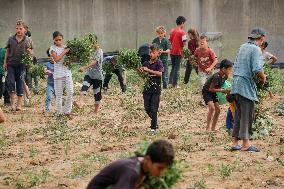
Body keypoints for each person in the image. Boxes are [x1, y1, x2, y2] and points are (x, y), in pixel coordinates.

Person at [230, 28, 267, 152]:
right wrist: (263, 78)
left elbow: (235, 65)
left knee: (239, 115)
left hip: (236, 84)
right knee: (247, 115)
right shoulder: (256, 49)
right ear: (261, 38)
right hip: (245, 86)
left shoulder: (242, 47)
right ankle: (246, 143)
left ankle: (235, 143)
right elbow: (257, 69)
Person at [86, 139, 174, 189]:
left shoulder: (142, 165)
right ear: (148, 159)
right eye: (160, 168)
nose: (162, 172)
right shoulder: (132, 171)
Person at [4, 20, 33, 111]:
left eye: (20, 28)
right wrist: (5, 62)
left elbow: (32, 52)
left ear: (25, 30)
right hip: (11, 64)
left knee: (20, 83)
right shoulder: (11, 39)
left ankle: (19, 105)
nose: (18, 30)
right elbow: (7, 51)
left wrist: (30, 52)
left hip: (22, 65)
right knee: (11, 82)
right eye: (17, 28)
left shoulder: (28, 40)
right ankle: (13, 104)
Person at [139, 44, 164, 135]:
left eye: (153, 52)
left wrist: (148, 70)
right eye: (150, 52)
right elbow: (142, 76)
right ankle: (155, 120)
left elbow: (160, 74)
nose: (151, 54)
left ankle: (153, 128)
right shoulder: (146, 63)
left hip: (156, 90)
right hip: (147, 89)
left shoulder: (159, 63)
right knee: (147, 108)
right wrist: (139, 70)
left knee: (154, 109)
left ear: (158, 54)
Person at [202, 59, 233, 131]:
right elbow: (211, 89)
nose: (230, 71)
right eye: (229, 69)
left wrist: (227, 91)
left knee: (218, 110)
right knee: (212, 108)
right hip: (207, 91)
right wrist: (222, 90)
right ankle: (207, 128)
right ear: (223, 69)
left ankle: (213, 128)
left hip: (213, 92)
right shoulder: (216, 76)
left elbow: (220, 86)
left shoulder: (225, 76)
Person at [49, 31, 74, 119]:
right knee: (59, 95)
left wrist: (69, 61)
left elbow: (71, 59)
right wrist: (65, 51)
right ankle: (59, 113)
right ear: (54, 40)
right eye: (57, 40)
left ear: (63, 39)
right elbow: (56, 59)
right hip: (58, 75)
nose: (59, 41)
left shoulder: (66, 47)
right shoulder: (52, 48)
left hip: (67, 73)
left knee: (70, 92)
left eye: (60, 39)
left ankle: (67, 111)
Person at [73, 42, 104, 113]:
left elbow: (94, 62)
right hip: (89, 74)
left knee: (97, 94)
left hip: (97, 76)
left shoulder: (99, 51)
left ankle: (96, 110)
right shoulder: (90, 51)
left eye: (93, 43)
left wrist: (84, 68)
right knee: (84, 86)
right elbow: (85, 59)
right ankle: (80, 102)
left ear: (97, 42)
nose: (92, 44)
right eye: (91, 43)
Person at [169, 16, 187, 88]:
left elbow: (169, 40)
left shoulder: (172, 31)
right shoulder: (182, 32)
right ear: (182, 23)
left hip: (172, 51)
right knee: (177, 68)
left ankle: (170, 82)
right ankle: (175, 84)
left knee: (173, 67)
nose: (184, 25)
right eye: (184, 23)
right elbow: (184, 43)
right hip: (179, 52)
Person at [45, 49, 55, 113]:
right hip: (50, 83)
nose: (52, 57)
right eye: (50, 56)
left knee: (58, 98)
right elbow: (45, 70)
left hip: (57, 84)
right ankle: (47, 110)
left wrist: (51, 72)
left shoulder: (58, 64)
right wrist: (46, 72)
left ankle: (58, 110)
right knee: (48, 96)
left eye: (53, 56)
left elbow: (59, 73)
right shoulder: (48, 64)